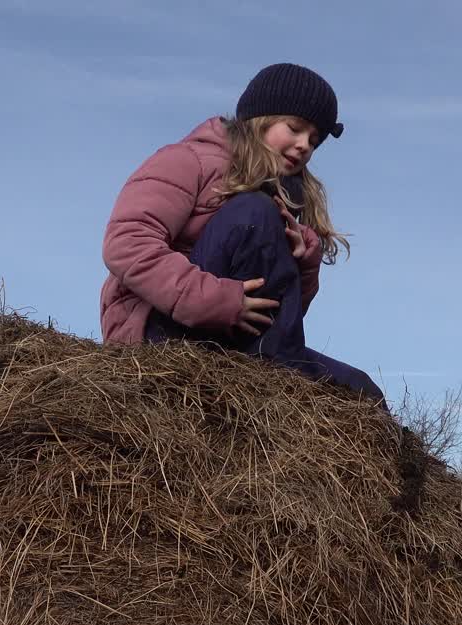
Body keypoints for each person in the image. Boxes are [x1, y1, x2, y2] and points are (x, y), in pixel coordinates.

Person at [99, 62, 384, 403]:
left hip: (235, 342)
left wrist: (304, 259)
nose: (304, 144)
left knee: (363, 392)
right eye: (294, 128)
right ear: (260, 118)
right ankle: (274, 378)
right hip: (158, 329)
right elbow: (126, 243)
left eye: (314, 139)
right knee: (254, 211)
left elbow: (282, 315)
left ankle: (273, 376)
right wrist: (217, 299)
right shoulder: (191, 160)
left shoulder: (284, 198)